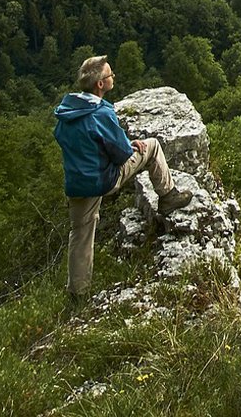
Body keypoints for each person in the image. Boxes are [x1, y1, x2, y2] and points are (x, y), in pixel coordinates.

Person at [53, 55, 191, 299]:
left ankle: (77, 293)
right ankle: (169, 196)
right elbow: (120, 154)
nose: (113, 77)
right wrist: (130, 145)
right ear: (100, 84)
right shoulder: (100, 113)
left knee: (80, 234)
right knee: (152, 146)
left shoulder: (67, 111)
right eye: (110, 75)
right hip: (103, 179)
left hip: (77, 183)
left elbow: (74, 141)